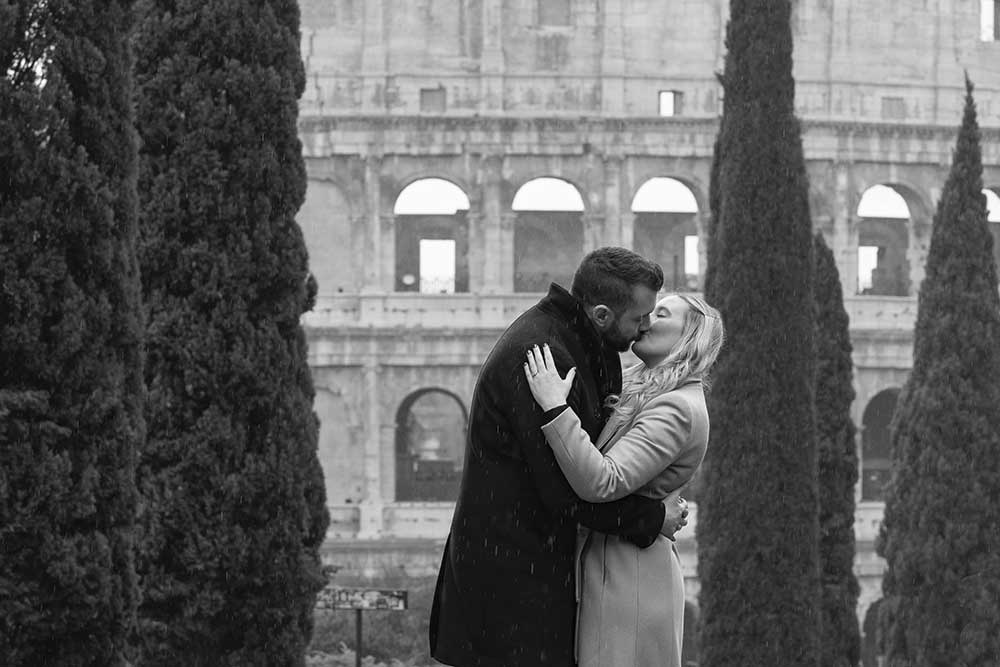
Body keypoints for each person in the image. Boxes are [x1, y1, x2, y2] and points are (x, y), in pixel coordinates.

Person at [429, 247, 690, 667]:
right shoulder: (542, 356)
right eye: (639, 318)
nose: (644, 329)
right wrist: (651, 519)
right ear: (602, 314)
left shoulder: (578, 341)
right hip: (512, 585)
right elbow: (564, 492)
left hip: (527, 573)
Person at [522, 293, 724, 667]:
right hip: (616, 564)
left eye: (661, 313)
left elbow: (603, 480)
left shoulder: (677, 407)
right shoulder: (647, 387)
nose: (646, 319)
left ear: (689, 338)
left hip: (631, 578)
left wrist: (555, 407)